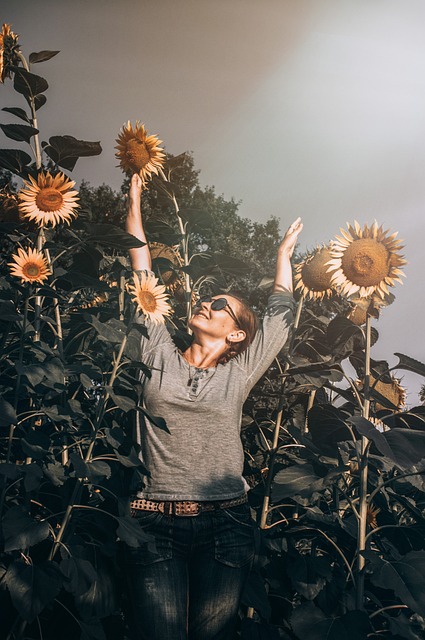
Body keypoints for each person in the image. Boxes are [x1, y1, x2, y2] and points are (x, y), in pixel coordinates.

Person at [125, 173, 303, 640]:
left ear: (237, 335)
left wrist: (283, 258)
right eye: (207, 298)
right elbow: (141, 269)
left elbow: (280, 324)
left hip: (225, 521)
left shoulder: (237, 373)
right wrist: (134, 201)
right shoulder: (157, 350)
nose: (206, 302)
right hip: (152, 518)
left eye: (220, 304)